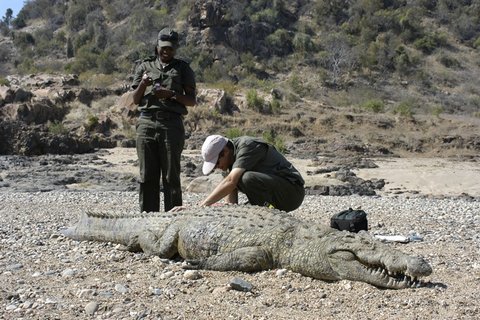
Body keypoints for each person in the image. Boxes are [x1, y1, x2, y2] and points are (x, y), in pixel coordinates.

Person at [131, 27, 196, 212]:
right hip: (146, 123)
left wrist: (172, 94)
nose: (166, 51)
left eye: (170, 48)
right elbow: (135, 100)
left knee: (171, 176)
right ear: (157, 46)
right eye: (163, 48)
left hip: (171, 125)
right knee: (147, 175)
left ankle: (173, 219)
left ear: (176, 48)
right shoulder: (144, 66)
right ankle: (148, 218)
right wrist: (143, 83)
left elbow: (191, 101)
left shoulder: (183, 68)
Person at [197, 135, 305, 212]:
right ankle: (264, 209)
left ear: (225, 152)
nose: (217, 168)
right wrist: (229, 210)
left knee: (246, 178)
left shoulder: (248, 146)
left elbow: (231, 182)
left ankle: (265, 212)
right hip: (276, 193)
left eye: (216, 163)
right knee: (238, 179)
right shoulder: (231, 157)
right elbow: (230, 197)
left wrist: (204, 204)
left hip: (292, 193)